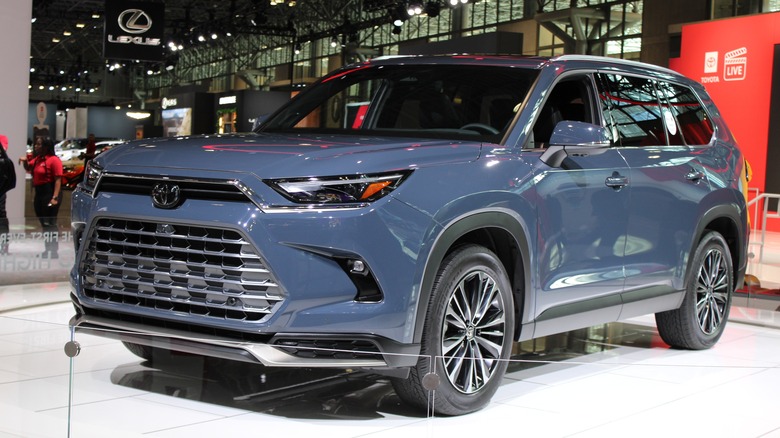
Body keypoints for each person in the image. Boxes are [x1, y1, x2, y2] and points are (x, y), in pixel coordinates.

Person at [19, 137, 63, 258]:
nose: (36, 146)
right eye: (36, 144)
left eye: (39, 144)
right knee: (44, 222)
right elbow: (28, 168)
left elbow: (58, 180)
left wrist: (55, 197)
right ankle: (47, 249)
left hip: (50, 192)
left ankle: (53, 251)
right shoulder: (38, 159)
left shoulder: (54, 160)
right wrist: (24, 161)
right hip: (40, 193)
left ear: (46, 146)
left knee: (50, 222)